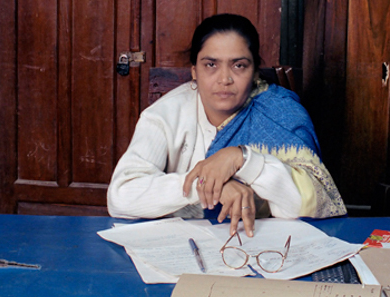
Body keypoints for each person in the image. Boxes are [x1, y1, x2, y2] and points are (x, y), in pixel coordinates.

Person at [107, 13, 345, 236]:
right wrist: (209, 184)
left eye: (238, 65)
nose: (224, 79)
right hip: (185, 244)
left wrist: (242, 159)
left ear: (254, 73)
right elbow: (121, 197)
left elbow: (315, 203)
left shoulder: (281, 113)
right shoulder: (165, 114)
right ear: (194, 72)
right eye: (211, 65)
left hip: (261, 242)